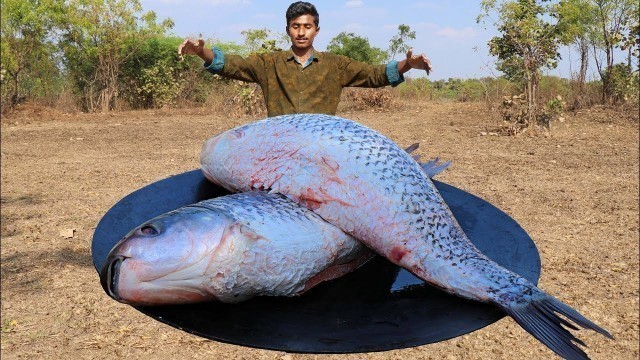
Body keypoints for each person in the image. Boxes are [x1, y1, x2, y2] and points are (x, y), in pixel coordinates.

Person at [178, 1, 432, 117]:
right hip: (278, 148)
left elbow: (375, 74)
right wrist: (201, 51)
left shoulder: (335, 65)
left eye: (307, 26)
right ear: (288, 29)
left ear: (316, 30)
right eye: (295, 26)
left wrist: (407, 64)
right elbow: (231, 65)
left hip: (321, 149)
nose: (301, 31)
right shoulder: (270, 63)